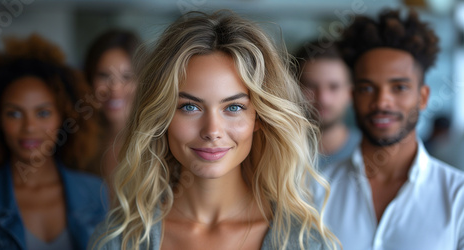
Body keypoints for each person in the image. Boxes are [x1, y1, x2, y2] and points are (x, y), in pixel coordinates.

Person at [89, 11, 338, 250]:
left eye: (234, 107)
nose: (212, 131)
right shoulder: (119, 240)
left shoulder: (307, 243)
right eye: (189, 106)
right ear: (162, 116)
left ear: (259, 117)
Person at [313, 9, 464, 250]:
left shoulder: (458, 197)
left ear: (423, 97)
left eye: (399, 88)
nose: (382, 102)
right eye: (367, 88)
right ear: (353, 96)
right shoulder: (314, 191)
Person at [0, 34, 109, 250]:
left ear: (63, 116)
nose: (29, 127)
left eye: (43, 113)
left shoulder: (96, 193)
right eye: (14, 114)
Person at [83, 30, 142, 179]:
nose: (115, 89)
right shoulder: (78, 143)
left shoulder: (159, 146)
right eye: (104, 76)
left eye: (127, 77)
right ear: (90, 80)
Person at [293, 41, 361, 167]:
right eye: (311, 86)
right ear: (294, 88)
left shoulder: (366, 152)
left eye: (334, 87)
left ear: (350, 93)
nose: (323, 99)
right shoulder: (276, 151)